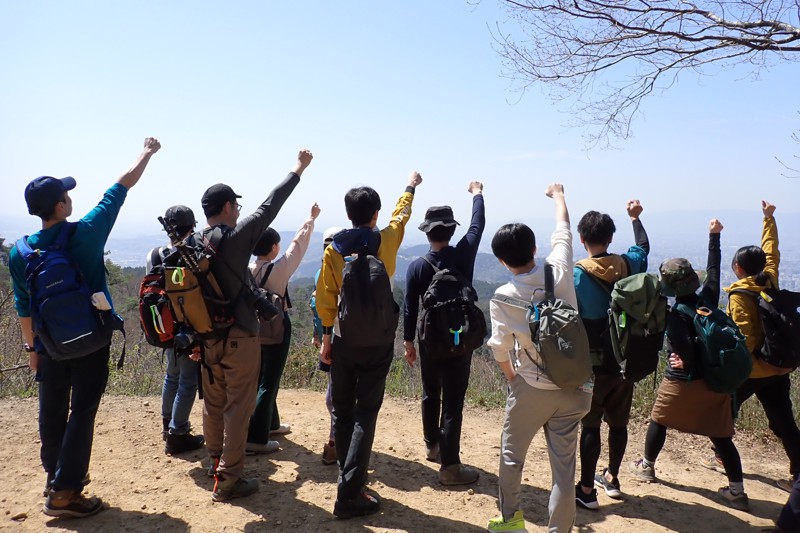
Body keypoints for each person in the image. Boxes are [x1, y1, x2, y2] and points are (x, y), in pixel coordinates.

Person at [10, 137, 161, 517]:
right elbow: (121, 186)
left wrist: (32, 351)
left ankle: (54, 478)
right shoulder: (86, 232)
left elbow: (23, 307)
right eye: (66, 194)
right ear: (61, 205)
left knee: (52, 410)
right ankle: (65, 492)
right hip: (91, 340)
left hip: (47, 344)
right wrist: (146, 152)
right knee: (82, 412)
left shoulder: (20, 252)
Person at [199, 149, 313, 502]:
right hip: (240, 337)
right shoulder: (234, 239)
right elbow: (270, 205)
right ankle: (230, 478)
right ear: (230, 206)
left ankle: (215, 463)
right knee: (238, 407)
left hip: (207, 339)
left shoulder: (196, 242)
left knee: (213, 404)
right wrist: (299, 168)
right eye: (235, 205)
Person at [486, 183, 592, 533]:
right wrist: (559, 196)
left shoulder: (503, 296)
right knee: (564, 469)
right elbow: (563, 230)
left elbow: (500, 348)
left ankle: (511, 523)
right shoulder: (559, 269)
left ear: (501, 261)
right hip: (577, 387)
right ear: (534, 248)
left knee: (512, 457)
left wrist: (514, 379)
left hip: (531, 386)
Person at [317, 172, 422, 519]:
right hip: (377, 339)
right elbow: (401, 215)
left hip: (344, 340)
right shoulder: (386, 238)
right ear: (375, 213)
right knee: (365, 413)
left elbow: (326, 297)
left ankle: (350, 482)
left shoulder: (334, 249)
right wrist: (409, 187)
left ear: (348, 215)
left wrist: (328, 338)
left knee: (344, 412)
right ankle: (349, 493)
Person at [628, 219, 750, 511]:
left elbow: (683, 350)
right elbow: (713, 270)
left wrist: (682, 359)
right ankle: (736, 490)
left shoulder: (676, 316)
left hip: (683, 380)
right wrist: (714, 237)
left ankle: (646, 466)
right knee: (720, 435)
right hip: (714, 379)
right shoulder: (707, 299)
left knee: (659, 419)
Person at [703, 200, 800, 493]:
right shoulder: (768, 279)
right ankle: (798, 476)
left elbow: (743, 341)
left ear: (737, 267)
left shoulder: (740, 296)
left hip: (750, 371)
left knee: (720, 414)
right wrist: (768, 219)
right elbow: (771, 251)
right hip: (777, 367)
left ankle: (724, 459)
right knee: (784, 423)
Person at [402, 180, 485, 485]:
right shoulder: (463, 255)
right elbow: (477, 225)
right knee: (453, 402)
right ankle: (450, 467)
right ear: (451, 232)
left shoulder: (417, 267)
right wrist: (477, 194)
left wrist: (408, 342)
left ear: (426, 232)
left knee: (430, 392)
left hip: (428, 341)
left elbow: (410, 308)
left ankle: (431, 445)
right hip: (459, 338)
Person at [573, 201, 649, 509]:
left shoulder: (576, 276)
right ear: (610, 238)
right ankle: (613, 478)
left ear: (582, 239)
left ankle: (587, 490)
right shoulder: (627, 264)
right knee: (618, 423)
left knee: (591, 424)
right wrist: (636, 218)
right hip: (625, 361)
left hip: (592, 367)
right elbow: (642, 247)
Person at [245, 203, 320, 454]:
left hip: (251, 329)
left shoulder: (245, 270)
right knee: (270, 380)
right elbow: (297, 246)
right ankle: (257, 437)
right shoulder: (279, 269)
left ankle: (272, 424)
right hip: (276, 328)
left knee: (259, 376)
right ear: (274, 247)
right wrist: (310, 218)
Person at [146, 205, 205, 456]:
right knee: (188, 381)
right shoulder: (190, 254)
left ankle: (167, 425)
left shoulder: (155, 254)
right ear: (192, 226)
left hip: (163, 326)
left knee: (172, 376)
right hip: (186, 327)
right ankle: (178, 433)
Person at [311, 226, 343, 465]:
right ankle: (340, 441)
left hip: (334, 341)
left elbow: (322, 310)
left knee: (334, 397)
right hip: (339, 341)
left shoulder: (323, 273)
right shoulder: (348, 269)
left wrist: (323, 338)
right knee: (338, 395)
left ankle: (336, 443)